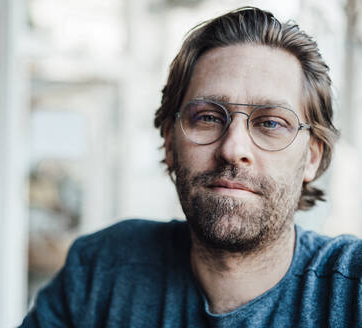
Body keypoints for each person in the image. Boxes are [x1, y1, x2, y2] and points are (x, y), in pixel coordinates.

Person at [19, 7, 361, 327]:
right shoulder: (100, 272)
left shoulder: (351, 292)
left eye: (270, 123)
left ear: (312, 157)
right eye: (209, 118)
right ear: (170, 142)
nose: (233, 149)